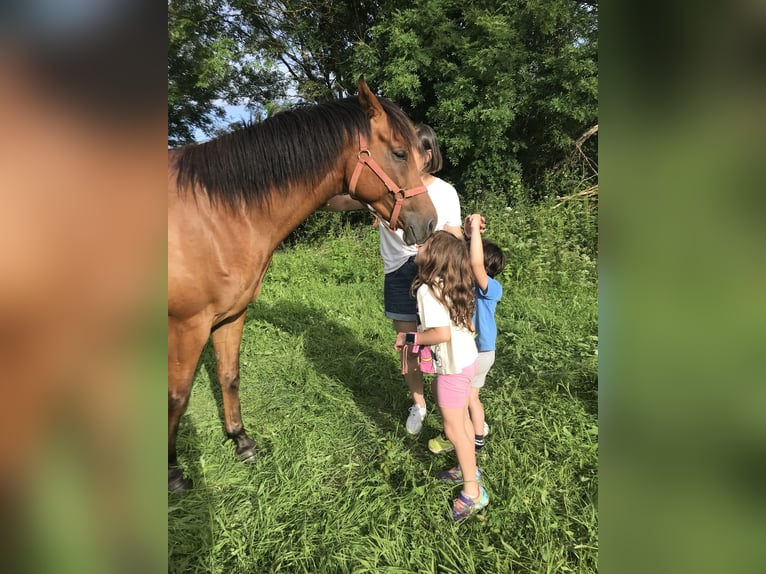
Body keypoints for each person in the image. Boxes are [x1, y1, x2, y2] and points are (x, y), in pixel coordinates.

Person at [325, 124, 463, 434]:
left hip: (435, 273)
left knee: (442, 341)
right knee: (407, 345)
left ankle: (453, 403)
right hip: (398, 274)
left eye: (409, 152)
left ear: (427, 155)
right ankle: (420, 404)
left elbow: (456, 236)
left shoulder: (444, 191)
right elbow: (340, 202)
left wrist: (433, 247)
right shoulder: (387, 186)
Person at [394, 230, 488, 520]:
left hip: (453, 369)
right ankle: (466, 464)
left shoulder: (426, 289)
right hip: (468, 360)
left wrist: (409, 337)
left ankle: (473, 492)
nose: (419, 245)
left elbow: (440, 334)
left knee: (452, 429)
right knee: (459, 422)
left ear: (435, 257)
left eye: (426, 244)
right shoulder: (453, 282)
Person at [428, 213, 506, 455]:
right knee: (471, 397)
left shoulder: (491, 288)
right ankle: (476, 436)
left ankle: (459, 435)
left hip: (479, 352)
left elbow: (474, 264)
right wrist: (470, 236)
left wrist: (475, 232)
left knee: (465, 399)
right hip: (477, 351)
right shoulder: (469, 284)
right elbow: (465, 260)